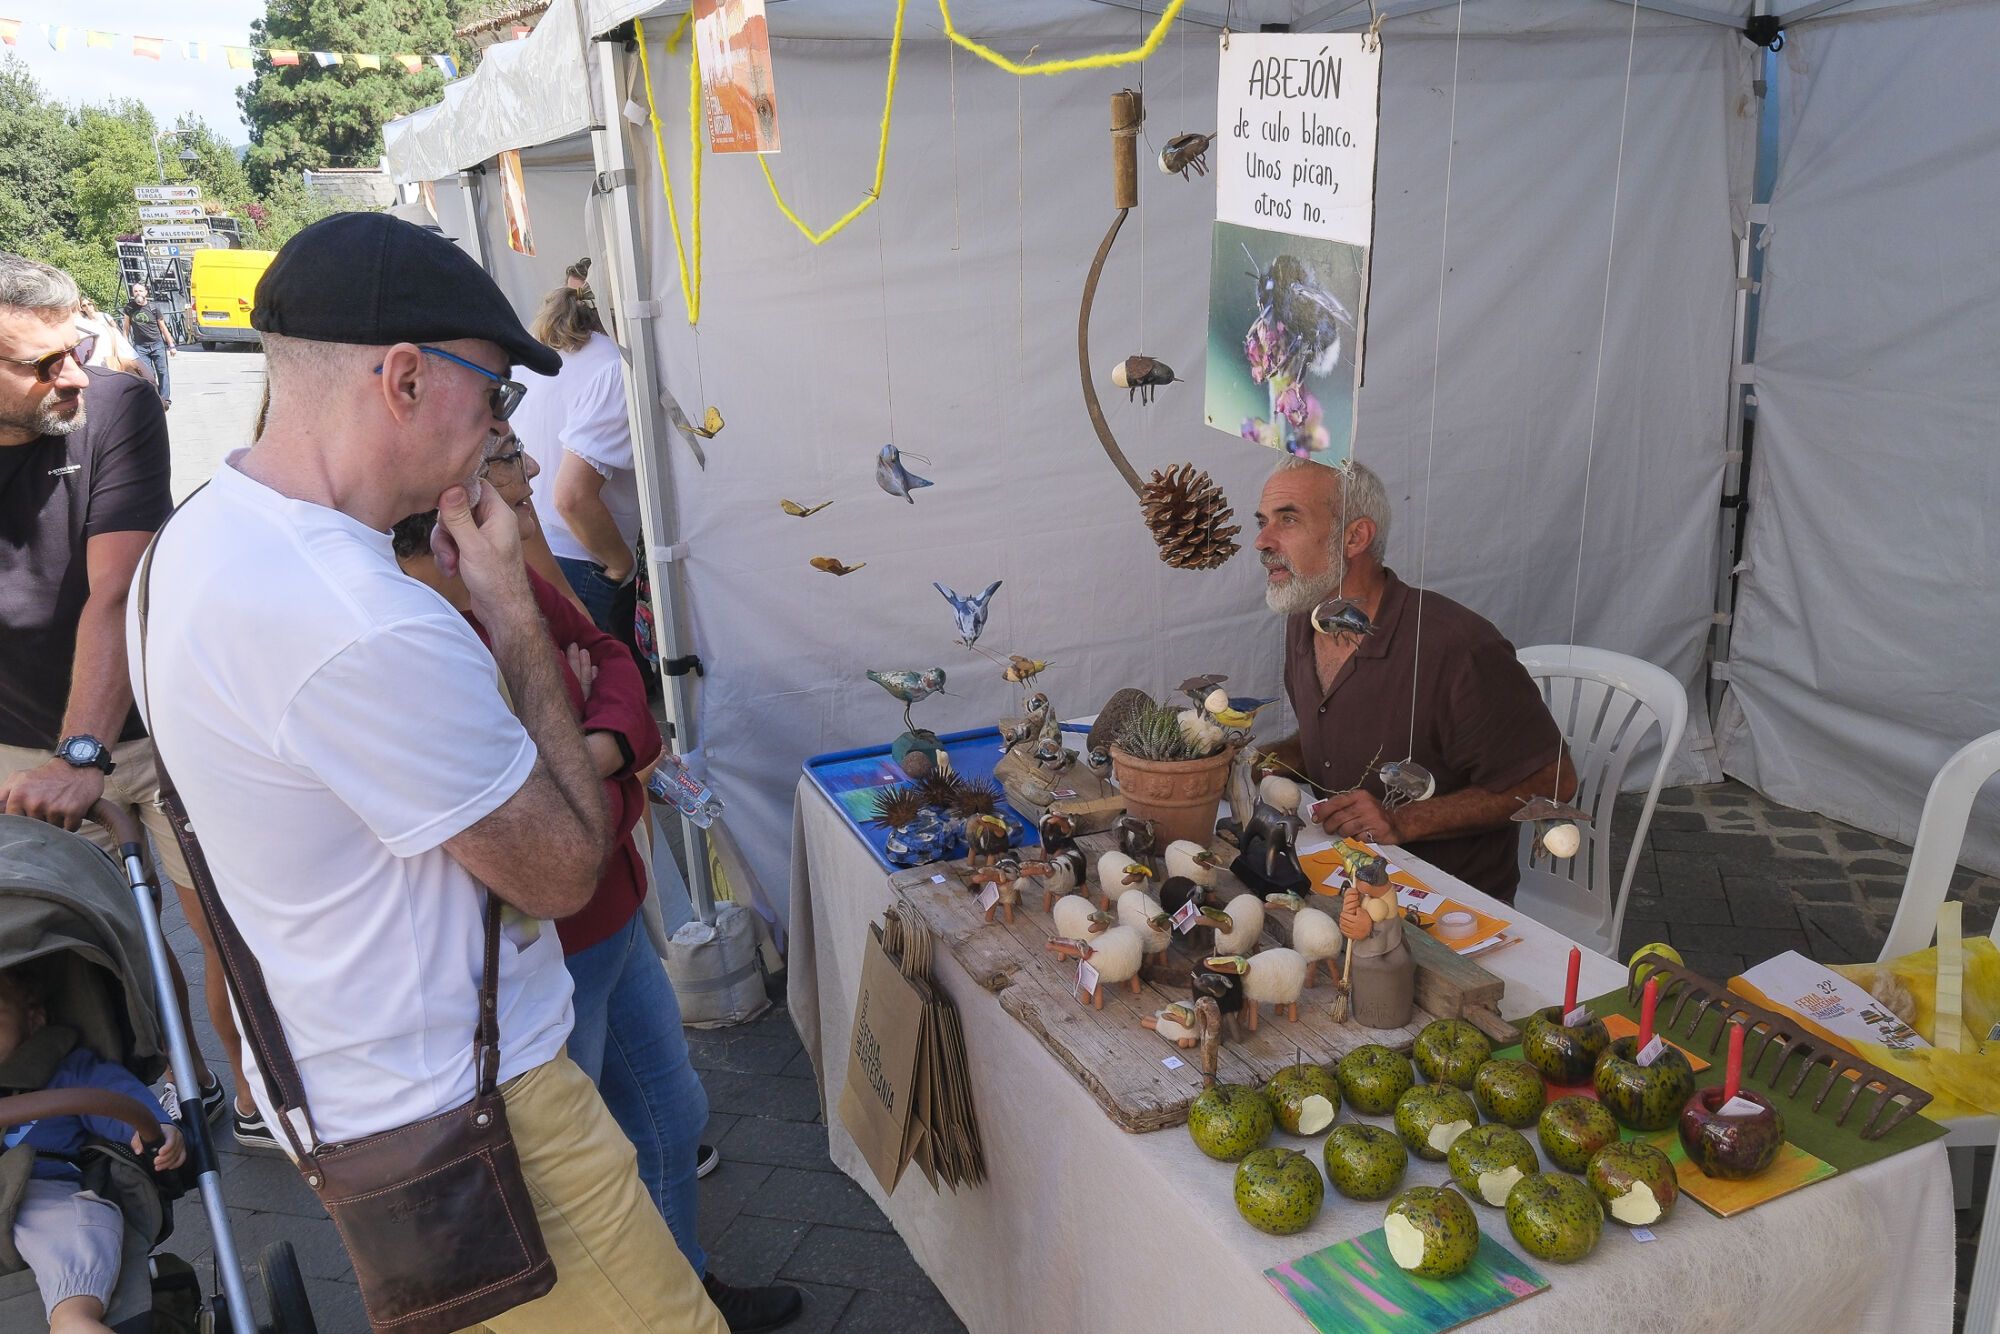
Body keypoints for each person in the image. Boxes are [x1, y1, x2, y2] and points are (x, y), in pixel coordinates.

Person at [130, 212, 724, 1331]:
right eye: (493, 392)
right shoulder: (359, 615)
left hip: (364, 1087)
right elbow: (559, 867)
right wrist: (508, 611)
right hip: (476, 1109)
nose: (505, 425)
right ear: (404, 377)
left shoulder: (197, 539)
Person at [391, 446, 803, 1332]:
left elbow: (612, 660)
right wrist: (595, 763)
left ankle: (684, 1282)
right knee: (581, 1177)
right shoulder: (411, 626)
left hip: (605, 915)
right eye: (502, 456)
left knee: (670, 1113)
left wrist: (588, 752)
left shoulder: (496, 578)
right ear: (441, 498)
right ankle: (651, 1304)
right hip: (541, 950)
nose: (531, 467)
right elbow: (534, 832)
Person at [0, 253, 248, 1137]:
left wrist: (82, 756)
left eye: (74, 348)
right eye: (40, 364)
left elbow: (117, 589)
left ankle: (255, 1095)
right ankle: (164, 1087)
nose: (73, 374)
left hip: (152, 724)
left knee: (223, 928)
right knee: (80, 945)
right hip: (19, 739)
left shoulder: (116, 407)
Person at [1254, 455, 1573, 902]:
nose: (1262, 541)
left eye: (1287, 519)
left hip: (1449, 906)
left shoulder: (1459, 648)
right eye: (1263, 521)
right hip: (1342, 879)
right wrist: (1279, 757)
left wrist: (1403, 820)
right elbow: (1345, 726)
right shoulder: (1305, 619)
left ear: (1354, 537)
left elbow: (1554, 779)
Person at [0, 965, 186, 1334]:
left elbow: (117, 1100)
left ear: (33, 1019)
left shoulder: (67, 1072)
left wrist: (156, 1127)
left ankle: (74, 1320)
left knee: (70, 1238)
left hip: (42, 1194)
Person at [509, 284, 641, 639]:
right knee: (604, 685)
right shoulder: (615, 368)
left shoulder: (534, 358)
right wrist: (621, 565)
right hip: (585, 561)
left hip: (530, 550)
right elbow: (571, 498)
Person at [119, 283, 173, 410]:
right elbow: (126, 328)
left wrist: (171, 345)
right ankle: (154, 398)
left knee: (162, 372)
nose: (138, 293)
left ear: (146, 292)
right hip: (140, 346)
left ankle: (165, 399)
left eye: (140, 291)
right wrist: (124, 346)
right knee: (148, 374)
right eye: (135, 291)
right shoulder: (129, 308)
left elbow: (163, 327)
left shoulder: (154, 307)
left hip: (157, 344)